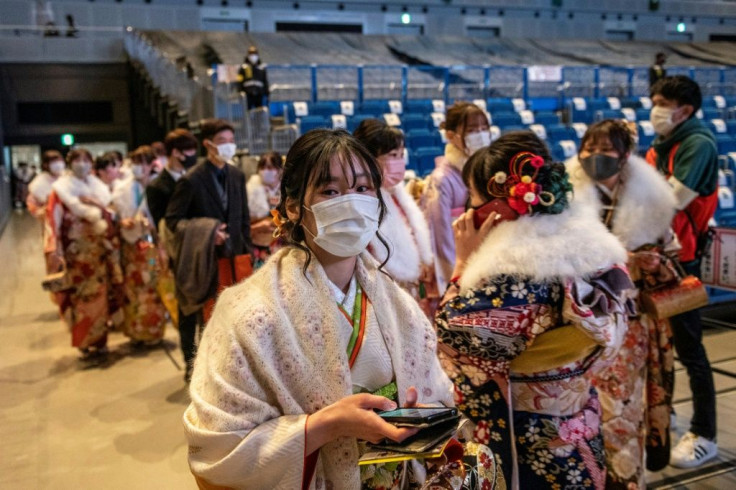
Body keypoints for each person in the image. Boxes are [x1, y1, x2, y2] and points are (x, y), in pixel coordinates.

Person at [182, 129, 471, 490]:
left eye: (363, 189)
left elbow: (435, 390)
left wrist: (416, 415)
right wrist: (325, 426)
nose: (351, 203)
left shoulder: (395, 302)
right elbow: (216, 445)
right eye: (330, 191)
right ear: (292, 207)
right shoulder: (246, 313)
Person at [435, 131, 633, 488]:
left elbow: (454, 338)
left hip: (531, 436)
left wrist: (463, 265)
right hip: (579, 423)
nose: (468, 211)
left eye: (474, 199)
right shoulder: (591, 248)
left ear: (497, 205)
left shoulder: (515, 268)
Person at [568, 120, 677, 488]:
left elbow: (672, 256)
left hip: (628, 327)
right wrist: (616, 258)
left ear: (625, 156)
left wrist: (655, 262)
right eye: (589, 149)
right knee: (578, 416)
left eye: (607, 151)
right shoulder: (565, 197)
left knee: (623, 414)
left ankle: (626, 481)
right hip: (579, 324)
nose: (595, 158)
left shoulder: (652, 202)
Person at [646, 75, 719, 468]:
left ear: (684, 110)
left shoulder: (697, 143)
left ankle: (705, 433)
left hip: (683, 264)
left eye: (661, 102)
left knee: (691, 351)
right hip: (656, 260)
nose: (654, 109)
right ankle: (664, 415)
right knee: (659, 349)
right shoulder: (663, 144)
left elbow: (670, 200)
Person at [166, 118, 253, 382]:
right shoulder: (191, 180)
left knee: (234, 317)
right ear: (207, 144)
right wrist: (208, 230)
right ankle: (200, 370)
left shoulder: (237, 175)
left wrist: (247, 249)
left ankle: (229, 368)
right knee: (203, 316)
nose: (228, 147)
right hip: (205, 261)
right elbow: (172, 221)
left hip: (235, 257)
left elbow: (244, 216)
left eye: (231, 141)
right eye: (222, 142)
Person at [353, 119, 437, 317]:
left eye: (401, 155)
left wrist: (422, 260)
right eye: (392, 155)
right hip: (381, 291)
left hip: (409, 287)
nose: (399, 161)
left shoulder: (395, 191)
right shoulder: (362, 198)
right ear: (369, 158)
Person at [45, 148, 122, 362]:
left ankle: (100, 340)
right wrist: (55, 250)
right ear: (70, 163)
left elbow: (111, 213)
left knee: (101, 295)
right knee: (82, 297)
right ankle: (84, 341)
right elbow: (53, 221)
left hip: (98, 251)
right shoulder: (60, 190)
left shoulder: (99, 187)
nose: (82, 164)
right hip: (76, 254)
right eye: (77, 160)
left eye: (86, 160)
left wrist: (97, 206)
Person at [421, 101, 491, 288]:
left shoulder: (486, 171)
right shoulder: (442, 180)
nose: (481, 134)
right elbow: (440, 237)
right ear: (451, 136)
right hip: (460, 267)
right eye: (472, 130)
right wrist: (456, 279)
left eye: (484, 128)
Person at [111, 146, 170, 346]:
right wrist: (121, 221)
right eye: (135, 163)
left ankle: (153, 330)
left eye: (143, 163)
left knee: (153, 282)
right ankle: (135, 330)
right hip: (132, 242)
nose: (138, 167)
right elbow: (114, 212)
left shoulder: (158, 185)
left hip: (152, 241)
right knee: (133, 286)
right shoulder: (122, 188)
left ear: (150, 164)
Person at [146, 129, 199, 230]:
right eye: (189, 150)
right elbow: (162, 225)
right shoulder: (156, 187)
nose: (193, 154)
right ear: (175, 152)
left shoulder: (195, 177)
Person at [245, 151, 283, 268]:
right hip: (257, 242)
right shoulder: (250, 189)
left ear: (280, 169)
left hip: (282, 242)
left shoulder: (286, 190)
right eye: (263, 167)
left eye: (270, 167)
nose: (266, 171)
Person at [27, 150, 65, 220]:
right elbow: (33, 208)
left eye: (60, 160)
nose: (58, 164)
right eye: (54, 161)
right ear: (45, 164)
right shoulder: (37, 184)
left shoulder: (68, 177)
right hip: (50, 221)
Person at [237, 45, 269, 110]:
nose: (253, 56)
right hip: (247, 94)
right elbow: (239, 80)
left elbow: (265, 81)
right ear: (248, 55)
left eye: (254, 53)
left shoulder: (261, 68)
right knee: (248, 111)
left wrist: (267, 92)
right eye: (251, 53)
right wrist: (240, 91)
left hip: (259, 93)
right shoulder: (243, 68)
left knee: (259, 111)